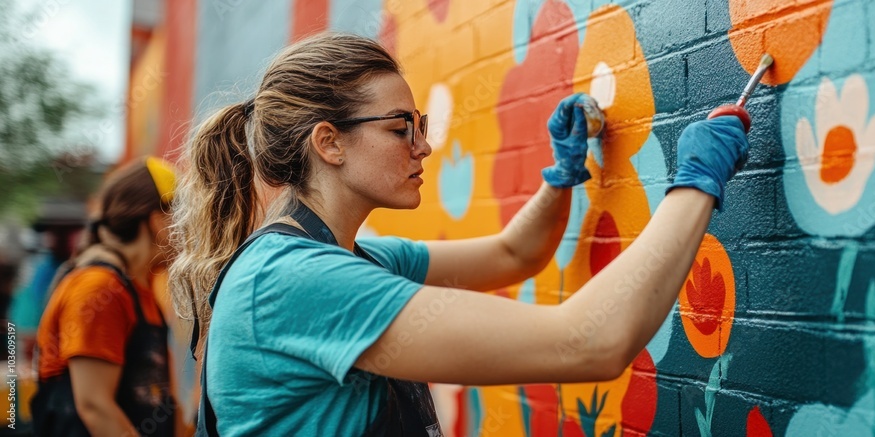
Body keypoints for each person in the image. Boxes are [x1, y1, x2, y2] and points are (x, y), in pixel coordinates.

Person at [170, 33, 749, 436]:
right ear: (329, 143)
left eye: (421, 125)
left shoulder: (350, 260)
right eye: (402, 128)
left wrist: (563, 174)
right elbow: (590, 343)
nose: (423, 146)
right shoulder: (293, 282)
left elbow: (513, 254)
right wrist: (694, 184)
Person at [32, 157, 177, 437]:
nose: (191, 231)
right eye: (183, 218)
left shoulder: (138, 290)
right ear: (158, 221)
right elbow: (96, 407)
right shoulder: (99, 288)